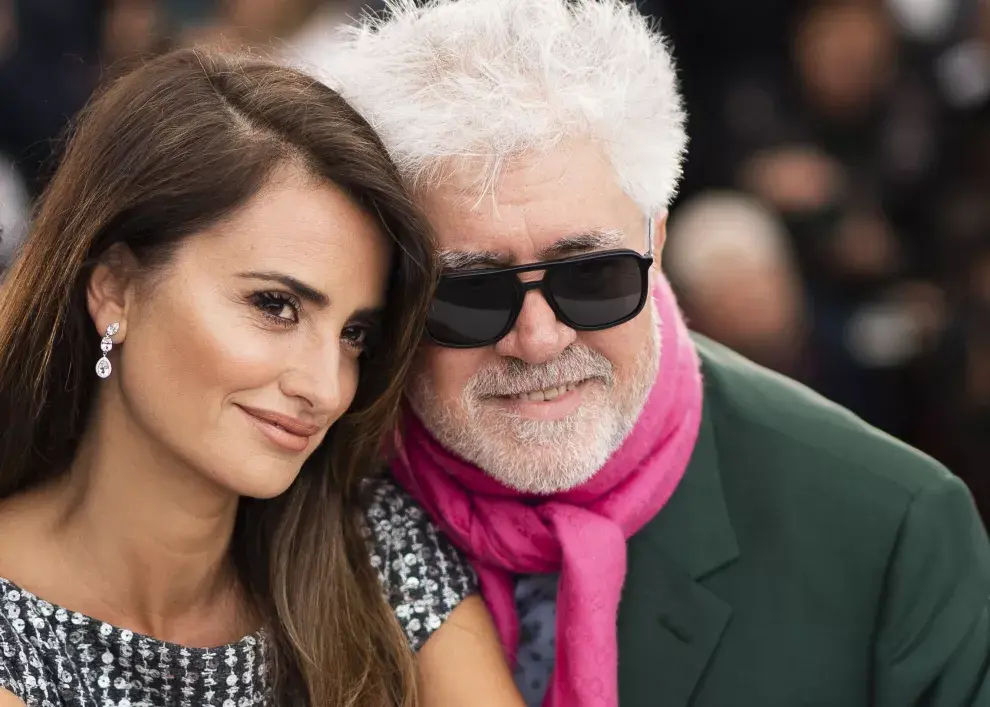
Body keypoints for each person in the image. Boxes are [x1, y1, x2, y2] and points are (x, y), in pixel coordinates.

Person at [320, 1, 990, 705]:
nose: (538, 338)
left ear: (656, 244)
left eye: (591, 276)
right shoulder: (306, 496)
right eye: (469, 293)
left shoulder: (894, 527)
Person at [0, 47, 526, 707]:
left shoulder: (371, 548)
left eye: (354, 335)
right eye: (275, 306)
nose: (326, 387)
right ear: (115, 288)